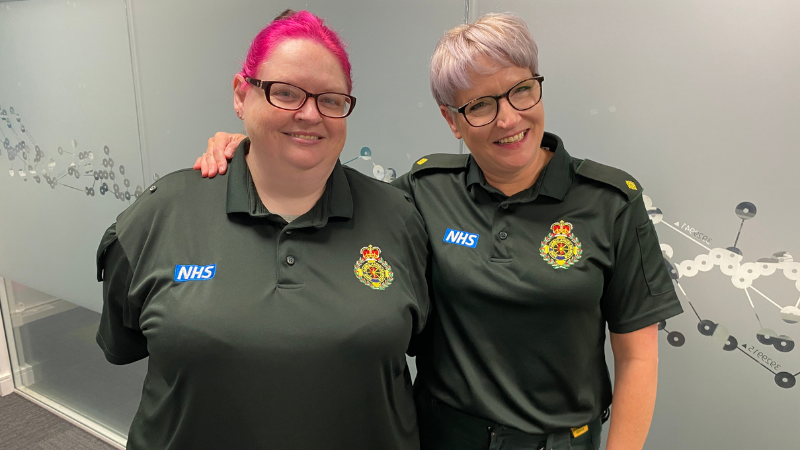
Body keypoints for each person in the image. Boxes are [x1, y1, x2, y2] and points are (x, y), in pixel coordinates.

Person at [196, 13, 682, 450]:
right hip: (440, 437)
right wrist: (253, 147)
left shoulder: (611, 201)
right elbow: (322, 185)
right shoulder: (424, 192)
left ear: (538, 88)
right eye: (481, 105)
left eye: (521, 90)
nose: (509, 118)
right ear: (453, 121)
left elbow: (637, 359)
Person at [96, 10, 429, 450]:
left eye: (330, 99)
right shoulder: (159, 215)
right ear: (241, 94)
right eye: (285, 93)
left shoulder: (400, 217)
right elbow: (125, 345)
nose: (310, 114)